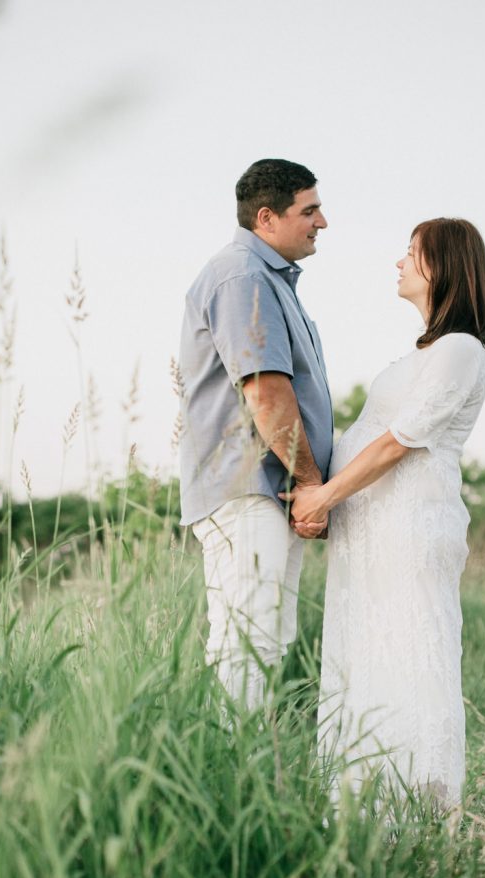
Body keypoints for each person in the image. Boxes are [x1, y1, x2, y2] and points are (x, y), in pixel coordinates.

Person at [285, 218, 485, 806]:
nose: (398, 263)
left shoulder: (460, 349)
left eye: (411, 252)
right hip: (376, 533)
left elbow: (399, 440)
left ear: (443, 266)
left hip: (408, 530)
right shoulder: (428, 350)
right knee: (368, 655)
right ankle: (361, 802)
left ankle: (415, 806)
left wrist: (324, 495)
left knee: (406, 657)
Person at [178, 159, 334, 708]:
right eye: (309, 210)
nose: (322, 222)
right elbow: (266, 393)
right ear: (266, 218)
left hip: (270, 489)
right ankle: (229, 776)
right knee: (249, 639)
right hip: (247, 489)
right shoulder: (243, 276)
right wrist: (312, 482)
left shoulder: (268, 279)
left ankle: (244, 776)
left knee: (266, 639)